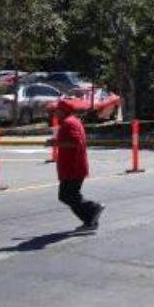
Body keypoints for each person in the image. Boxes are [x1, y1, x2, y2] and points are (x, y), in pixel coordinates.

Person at [48, 98, 104, 230]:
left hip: (73, 167)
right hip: (71, 166)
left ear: (63, 111)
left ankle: (93, 208)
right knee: (69, 196)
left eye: (57, 109)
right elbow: (70, 139)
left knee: (67, 196)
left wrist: (55, 143)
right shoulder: (71, 122)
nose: (54, 111)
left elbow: (75, 142)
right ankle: (90, 221)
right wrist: (56, 140)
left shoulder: (69, 123)